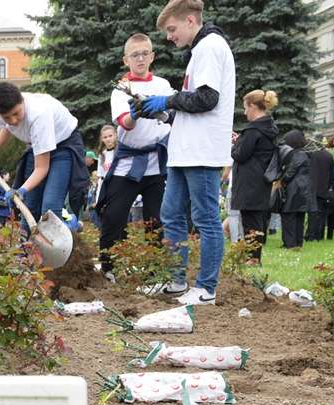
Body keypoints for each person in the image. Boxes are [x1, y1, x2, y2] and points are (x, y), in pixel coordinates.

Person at [137, 0, 235, 306]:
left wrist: (166, 101)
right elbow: (192, 106)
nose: (169, 37)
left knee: (205, 219)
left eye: (172, 29)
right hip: (185, 150)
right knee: (171, 214)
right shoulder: (199, 51)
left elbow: (207, 99)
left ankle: (206, 289)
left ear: (190, 20)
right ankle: (177, 281)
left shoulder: (209, 47)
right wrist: (161, 112)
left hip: (202, 151)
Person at [96, 33, 174, 276]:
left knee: (156, 221)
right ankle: (109, 268)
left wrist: (164, 108)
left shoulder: (163, 86)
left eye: (144, 53)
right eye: (135, 55)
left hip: (155, 164)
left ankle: (155, 271)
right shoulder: (121, 89)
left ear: (152, 56)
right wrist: (136, 113)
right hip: (128, 165)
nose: (140, 59)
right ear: (126, 59)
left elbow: (174, 115)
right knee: (114, 216)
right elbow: (125, 124)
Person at [0, 81, 89, 241]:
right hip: (37, 147)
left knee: (49, 207)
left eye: (16, 113)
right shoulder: (1, 111)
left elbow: (42, 168)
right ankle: (25, 255)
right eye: (7, 117)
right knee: (30, 207)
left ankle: (63, 245)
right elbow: (6, 128)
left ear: (22, 101)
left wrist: (20, 190)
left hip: (64, 145)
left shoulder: (38, 115)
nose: (13, 120)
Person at [229, 89, 279, 263]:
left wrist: (235, 146)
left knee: (251, 221)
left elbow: (240, 155)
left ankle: (252, 258)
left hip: (249, 181)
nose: (244, 112)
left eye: (245, 107)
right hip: (260, 180)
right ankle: (253, 256)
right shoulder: (269, 128)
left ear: (252, 106)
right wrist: (239, 141)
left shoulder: (253, 130)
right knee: (256, 219)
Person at [277, 130, 314, 250]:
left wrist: (281, 180)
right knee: (299, 217)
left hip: (295, 189)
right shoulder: (305, 153)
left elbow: (290, 172)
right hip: (303, 189)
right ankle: (298, 243)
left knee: (288, 216)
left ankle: (289, 243)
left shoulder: (297, 154)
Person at [307, 145, 334, 242]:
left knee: (312, 213)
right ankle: (319, 235)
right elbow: (332, 176)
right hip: (323, 189)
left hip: (311, 188)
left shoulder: (311, 154)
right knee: (322, 214)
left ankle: (310, 235)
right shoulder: (329, 156)